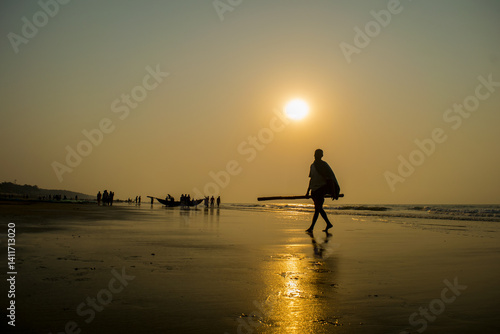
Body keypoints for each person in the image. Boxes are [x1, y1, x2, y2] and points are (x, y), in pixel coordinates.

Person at [305, 149, 340, 233]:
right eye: (316, 154)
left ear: (321, 156)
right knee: (319, 208)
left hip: (321, 188)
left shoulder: (324, 165)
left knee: (318, 208)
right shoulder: (312, 166)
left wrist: (333, 192)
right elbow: (311, 179)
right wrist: (307, 191)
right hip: (314, 189)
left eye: (318, 154)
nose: (316, 156)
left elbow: (330, 179)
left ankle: (312, 227)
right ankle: (328, 223)